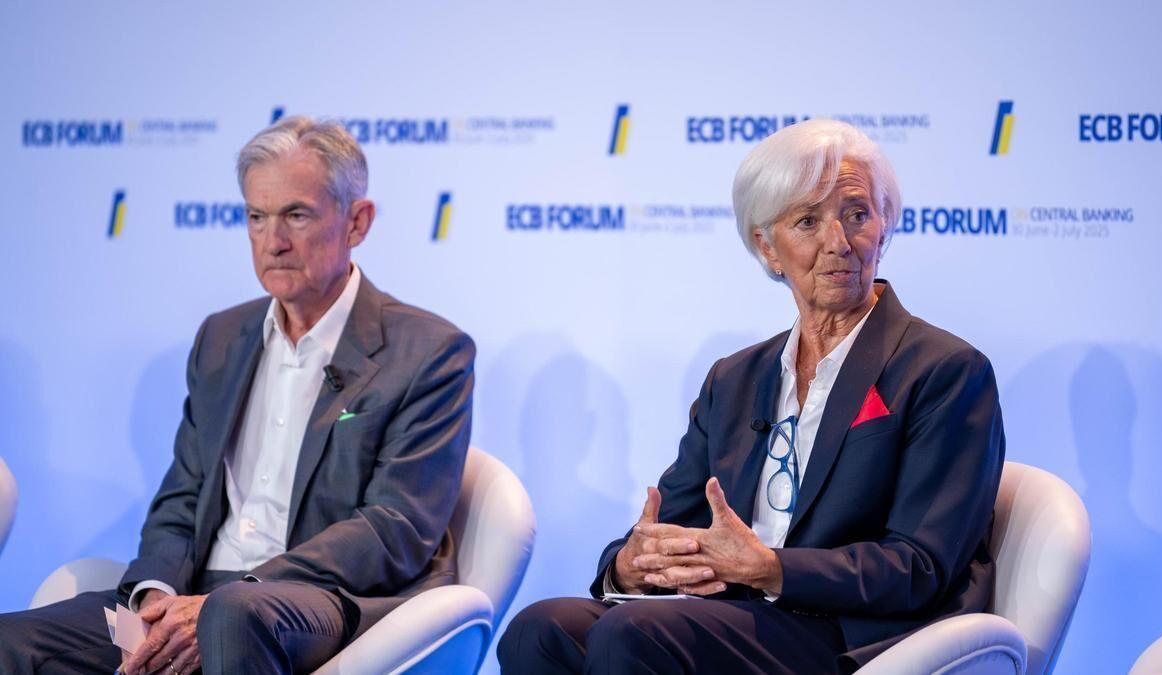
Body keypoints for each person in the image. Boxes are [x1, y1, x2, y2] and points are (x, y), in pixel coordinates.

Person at [498, 119, 1005, 674]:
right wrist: (630, 565)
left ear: (884, 230)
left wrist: (769, 568)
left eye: (857, 214)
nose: (838, 242)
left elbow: (919, 566)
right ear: (768, 247)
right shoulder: (735, 380)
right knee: (540, 630)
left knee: (635, 634)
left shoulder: (944, 371)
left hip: (850, 635)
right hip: (735, 617)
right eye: (809, 220)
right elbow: (679, 522)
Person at [0, 116, 475, 674]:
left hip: (313, 597)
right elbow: (182, 497)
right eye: (256, 217)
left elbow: (394, 530)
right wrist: (155, 596)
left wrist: (234, 595)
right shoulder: (222, 339)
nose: (273, 241)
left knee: (233, 614)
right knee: (15, 642)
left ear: (357, 222)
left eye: (297, 215)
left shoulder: (427, 351)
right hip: (196, 593)